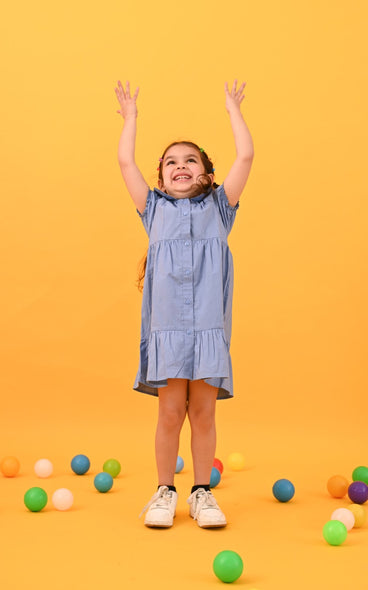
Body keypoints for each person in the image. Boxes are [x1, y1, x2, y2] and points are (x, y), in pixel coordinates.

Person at [115, 79, 254, 528]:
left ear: (207, 175)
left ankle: (202, 493)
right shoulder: (153, 210)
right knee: (171, 411)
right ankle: (163, 492)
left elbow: (246, 156)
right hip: (170, 331)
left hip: (209, 330)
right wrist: (131, 118)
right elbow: (124, 162)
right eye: (170, 162)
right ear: (161, 178)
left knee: (204, 412)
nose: (179, 166)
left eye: (190, 160)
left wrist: (233, 109)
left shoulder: (220, 207)